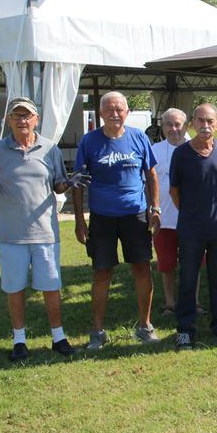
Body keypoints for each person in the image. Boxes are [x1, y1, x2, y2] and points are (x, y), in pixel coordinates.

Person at [0, 97, 88, 361]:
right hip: (10, 234)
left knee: (51, 286)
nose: (22, 120)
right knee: (14, 288)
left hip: (45, 233)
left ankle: (58, 338)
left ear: (36, 119)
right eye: (17, 116)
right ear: (9, 121)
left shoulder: (50, 149)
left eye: (27, 116)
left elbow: (57, 184)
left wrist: (69, 182)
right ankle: (19, 341)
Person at [73, 91, 160, 350]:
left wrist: (155, 207)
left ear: (127, 112)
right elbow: (78, 184)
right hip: (103, 217)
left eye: (119, 109)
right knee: (102, 273)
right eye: (109, 109)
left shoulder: (138, 137)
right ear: (100, 113)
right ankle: (97, 331)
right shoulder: (89, 142)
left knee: (142, 269)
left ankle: (145, 326)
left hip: (135, 215)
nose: (114, 113)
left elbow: (152, 174)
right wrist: (79, 219)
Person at [170, 103, 217, 349]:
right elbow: (174, 191)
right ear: (192, 123)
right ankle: (185, 329)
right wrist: (193, 212)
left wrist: (216, 209)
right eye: (200, 120)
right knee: (188, 280)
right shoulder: (181, 154)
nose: (205, 125)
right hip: (191, 229)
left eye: (210, 121)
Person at [152, 108, 199, 317]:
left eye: (177, 124)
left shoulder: (196, 148)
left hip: (191, 219)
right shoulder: (155, 150)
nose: (173, 129)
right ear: (162, 128)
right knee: (166, 264)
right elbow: (147, 182)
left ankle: (193, 302)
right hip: (164, 219)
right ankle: (170, 303)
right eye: (168, 125)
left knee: (193, 263)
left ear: (186, 125)